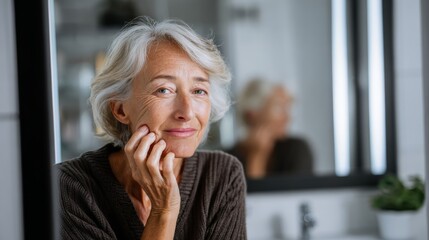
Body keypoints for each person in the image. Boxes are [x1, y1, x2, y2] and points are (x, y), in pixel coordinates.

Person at [54, 17, 247, 240]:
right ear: (120, 110)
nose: (187, 111)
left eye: (199, 91)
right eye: (164, 90)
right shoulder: (68, 187)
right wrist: (163, 211)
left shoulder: (221, 176)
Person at [226, 78, 313, 179]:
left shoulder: (297, 149)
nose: (287, 117)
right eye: (278, 108)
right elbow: (249, 194)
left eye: (287, 108)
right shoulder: (228, 159)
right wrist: (256, 157)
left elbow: (298, 193)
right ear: (251, 114)